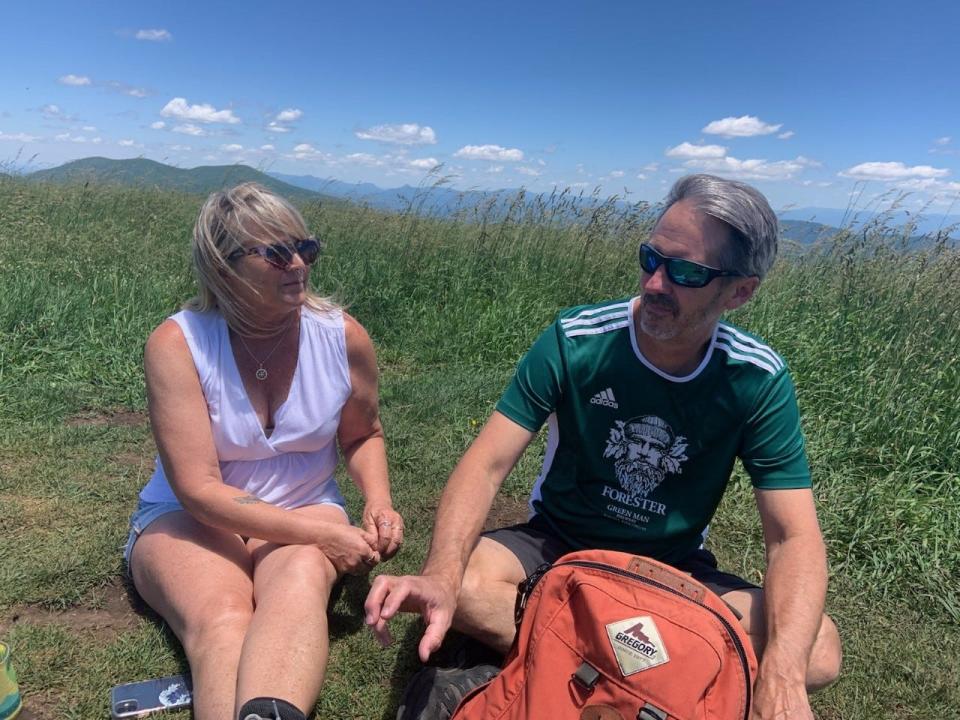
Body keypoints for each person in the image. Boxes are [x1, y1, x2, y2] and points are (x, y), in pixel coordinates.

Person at [365, 174, 841, 720]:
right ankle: (658, 679)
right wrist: (441, 577)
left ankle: (534, 664)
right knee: (466, 585)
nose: (656, 283)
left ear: (739, 291)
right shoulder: (578, 339)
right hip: (555, 546)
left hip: (671, 568)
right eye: (650, 258)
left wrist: (782, 673)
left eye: (686, 272)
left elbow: (792, 535)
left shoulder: (756, 379)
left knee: (817, 650)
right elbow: (487, 464)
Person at [125, 183, 403, 720]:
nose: (299, 263)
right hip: (192, 516)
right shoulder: (178, 344)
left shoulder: (343, 337)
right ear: (223, 267)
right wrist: (323, 533)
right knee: (225, 617)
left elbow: (362, 434)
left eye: (307, 248)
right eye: (277, 253)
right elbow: (200, 490)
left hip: (304, 500)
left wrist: (378, 500)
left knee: (298, 584)